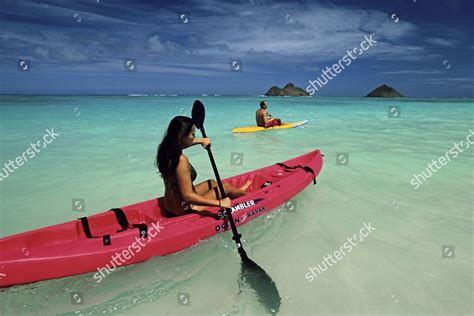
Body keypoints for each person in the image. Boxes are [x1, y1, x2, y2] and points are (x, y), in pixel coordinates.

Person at [156, 116, 252, 217]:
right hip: (185, 208)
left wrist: (200, 141)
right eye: (193, 134)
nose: (194, 137)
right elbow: (188, 196)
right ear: (181, 136)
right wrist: (220, 203)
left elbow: (183, 143)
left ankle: (237, 193)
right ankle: (253, 198)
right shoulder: (181, 161)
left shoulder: (165, 149)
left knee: (212, 183)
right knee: (226, 187)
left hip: (170, 205)